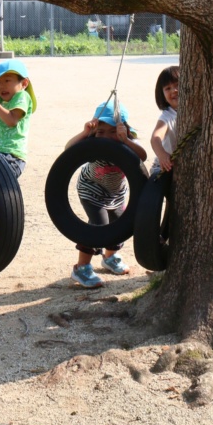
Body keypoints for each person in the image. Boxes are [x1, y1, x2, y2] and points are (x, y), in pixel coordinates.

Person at [66, 100, 147, 288]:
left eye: (113, 132)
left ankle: (109, 257)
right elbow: (68, 152)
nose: (106, 137)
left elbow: (142, 156)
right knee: (98, 225)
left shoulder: (128, 143)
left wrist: (125, 140)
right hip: (91, 189)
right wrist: (85, 133)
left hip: (116, 193)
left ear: (123, 130)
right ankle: (81, 267)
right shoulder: (92, 144)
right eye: (101, 132)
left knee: (120, 223)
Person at [0, 59, 37, 248]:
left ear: (23, 83)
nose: (2, 86)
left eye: (8, 80)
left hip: (12, 157)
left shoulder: (22, 97)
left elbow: (11, 120)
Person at [149, 66, 179, 175]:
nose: (174, 91)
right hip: (164, 167)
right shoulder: (167, 116)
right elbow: (155, 138)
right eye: (168, 88)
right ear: (162, 94)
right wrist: (162, 155)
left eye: (177, 85)